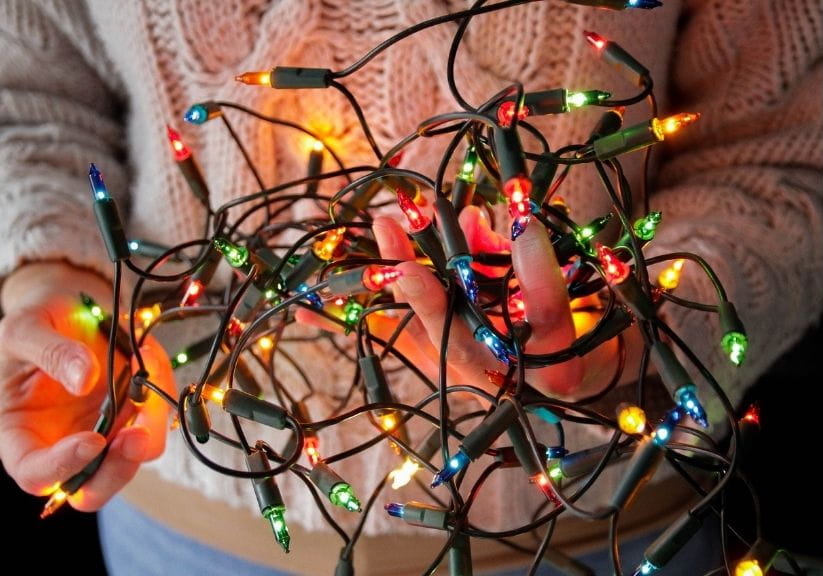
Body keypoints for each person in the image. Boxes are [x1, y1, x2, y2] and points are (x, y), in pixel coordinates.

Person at [0, 1, 821, 575]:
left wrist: (634, 331)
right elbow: (31, 100)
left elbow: (783, 157)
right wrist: (54, 276)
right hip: (176, 536)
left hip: (615, 536)